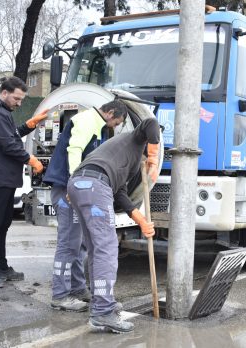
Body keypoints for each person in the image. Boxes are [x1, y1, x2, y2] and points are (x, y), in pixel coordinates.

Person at [67, 117, 160, 333]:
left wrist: (141, 221)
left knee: (96, 248)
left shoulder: (123, 156)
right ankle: (103, 311)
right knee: (107, 249)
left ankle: (101, 305)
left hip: (78, 184)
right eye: (153, 145)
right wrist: (154, 158)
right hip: (95, 185)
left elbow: (120, 193)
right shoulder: (134, 138)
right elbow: (150, 123)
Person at [42, 101, 128, 311]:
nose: (116, 126)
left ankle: (78, 288)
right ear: (110, 113)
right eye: (117, 122)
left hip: (73, 188)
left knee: (78, 242)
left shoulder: (98, 126)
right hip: (67, 189)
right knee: (68, 243)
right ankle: (60, 295)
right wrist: (74, 183)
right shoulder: (87, 120)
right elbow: (75, 149)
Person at [0, 76, 47, 288]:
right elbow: (8, 145)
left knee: (2, 224)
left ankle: (1, 268)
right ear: (4, 93)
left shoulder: (1, 112)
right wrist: (31, 159)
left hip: (4, 177)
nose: (19, 103)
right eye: (16, 98)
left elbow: (11, 136)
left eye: (21, 99)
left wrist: (29, 125)